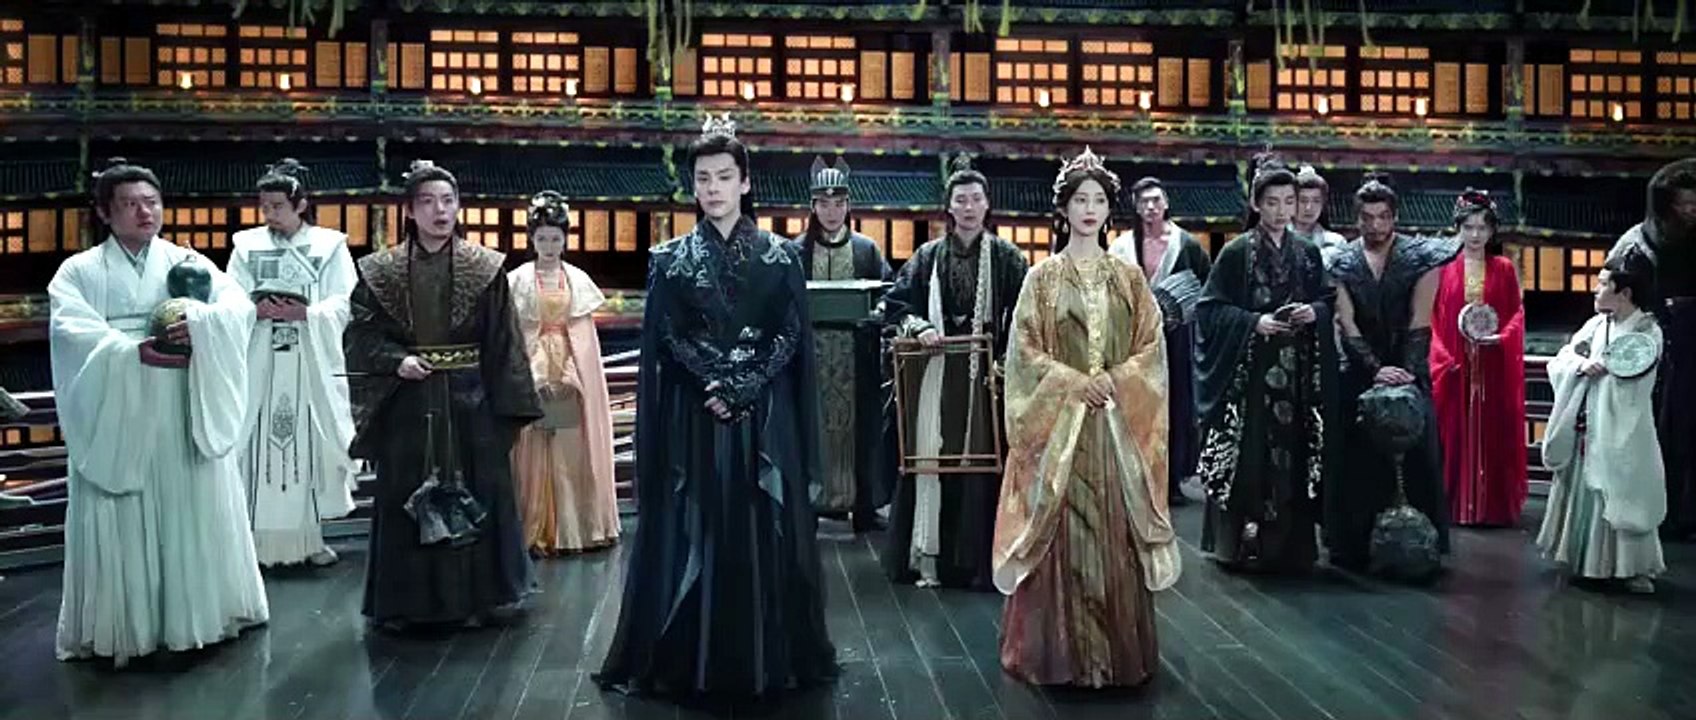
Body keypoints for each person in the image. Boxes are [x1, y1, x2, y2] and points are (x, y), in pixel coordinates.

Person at [595, 115, 836, 697]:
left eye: (725, 177)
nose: (713, 188)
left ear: (745, 182)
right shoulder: (669, 258)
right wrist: (716, 380)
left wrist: (746, 383)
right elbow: (665, 336)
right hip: (695, 414)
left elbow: (791, 334)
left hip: (763, 414)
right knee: (696, 526)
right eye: (703, 178)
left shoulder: (781, 256)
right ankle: (689, 658)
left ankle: (766, 657)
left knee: (761, 526)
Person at [48, 159, 268, 665]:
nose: (144, 212)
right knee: (123, 504)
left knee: (189, 499)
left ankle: (202, 616)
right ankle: (129, 627)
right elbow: (72, 332)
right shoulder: (78, 272)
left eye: (151, 202)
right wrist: (130, 352)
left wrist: (202, 323)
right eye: (129, 204)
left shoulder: (186, 261)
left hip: (180, 400)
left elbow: (238, 308)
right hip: (117, 404)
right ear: (105, 213)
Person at [995, 148, 1178, 688]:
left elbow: (1151, 346)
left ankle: (1113, 657)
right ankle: (1063, 656)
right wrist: (1075, 381)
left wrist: (1115, 379)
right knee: (1063, 530)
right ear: (1064, 209)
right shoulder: (1042, 280)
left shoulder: (1128, 278)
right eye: (1080, 200)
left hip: (1115, 425)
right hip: (1061, 428)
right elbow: (1023, 353)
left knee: (1112, 531)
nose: (1090, 209)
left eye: (1099, 200)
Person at [343, 160, 541, 630]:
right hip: (409, 400)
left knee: (480, 488)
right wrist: (397, 360)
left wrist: (508, 408)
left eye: (448, 201)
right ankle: (410, 605)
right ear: (410, 211)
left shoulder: (484, 268)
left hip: (471, 399)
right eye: (428, 202)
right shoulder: (381, 271)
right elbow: (360, 336)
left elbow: (504, 343)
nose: (440, 211)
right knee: (407, 495)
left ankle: (484, 598)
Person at [882, 155, 1029, 589]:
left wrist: (1005, 359)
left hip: (988, 378)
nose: (968, 207)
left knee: (984, 465)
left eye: (976, 199)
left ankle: (980, 563)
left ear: (987, 204)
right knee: (936, 459)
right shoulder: (927, 256)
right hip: (938, 372)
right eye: (960, 199)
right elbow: (896, 306)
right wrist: (920, 327)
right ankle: (933, 557)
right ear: (948, 207)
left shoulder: (1007, 257)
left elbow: (1027, 316)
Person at [1193, 154, 1338, 573]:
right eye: (1272, 202)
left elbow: (1326, 300)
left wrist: (1314, 312)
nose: (1281, 211)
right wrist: (1253, 322)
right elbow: (1209, 308)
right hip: (1249, 375)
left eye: (1289, 201)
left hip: (1296, 376)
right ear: (1257, 204)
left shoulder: (1307, 253)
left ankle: (1287, 548)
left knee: (1293, 457)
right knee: (1248, 457)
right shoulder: (1237, 252)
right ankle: (1234, 544)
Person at [226, 158, 359, 567]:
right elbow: (229, 298)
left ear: (300, 205)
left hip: (309, 357)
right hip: (259, 359)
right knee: (254, 443)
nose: (269, 214)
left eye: (278, 206)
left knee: (308, 442)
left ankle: (309, 539)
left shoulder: (329, 246)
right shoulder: (246, 246)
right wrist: (254, 310)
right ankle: (251, 544)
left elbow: (346, 301)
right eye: (264, 206)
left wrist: (308, 313)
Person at [1327, 173, 1459, 571]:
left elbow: (1421, 319)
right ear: (1357, 219)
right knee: (1357, 457)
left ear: (1394, 217)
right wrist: (1374, 369)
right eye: (1367, 218)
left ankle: (1421, 545)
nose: (1375, 225)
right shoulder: (1341, 260)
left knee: (1417, 452)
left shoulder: (1422, 256)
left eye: (1382, 216)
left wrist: (1403, 371)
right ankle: (1354, 545)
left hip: (1408, 364)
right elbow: (1346, 322)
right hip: (1361, 366)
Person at [1536, 250, 1665, 593]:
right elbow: (1563, 358)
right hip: (1588, 428)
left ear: (1625, 293)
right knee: (1586, 492)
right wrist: (1579, 367)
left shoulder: (1647, 332)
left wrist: (1604, 374)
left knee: (1623, 492)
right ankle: (1588, 562)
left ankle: (1631, 567)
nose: (1596, 290)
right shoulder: (1596, 325)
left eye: (1604, 284)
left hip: (1622, 430)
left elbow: (1633, 382)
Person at [507, 191, 619, 555]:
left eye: (555, 239)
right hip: (533, 364)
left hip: (571, 370)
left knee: (570, 449)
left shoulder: (577, 280)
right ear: (531, 240)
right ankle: (535, 528)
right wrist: (534, 371)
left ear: (565, 240)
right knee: (532, 447)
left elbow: (583, 335)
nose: (549, 246)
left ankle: (576, 529)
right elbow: (517, 333)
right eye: (542, 239)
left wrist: (572, 371)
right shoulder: (517, 280)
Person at [787, 157, 893, 532]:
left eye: (838, 203)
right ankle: (811, 504)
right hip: (811, 356)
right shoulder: (796, 251)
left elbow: (888, 293)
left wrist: (876, 312)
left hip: (856, 354)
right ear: (813, 207)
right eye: (824, 203)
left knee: (860, 431)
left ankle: (863, 505)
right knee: (810, 429)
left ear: (848, 206)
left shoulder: (866, 250)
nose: (832, 212)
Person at [1108, 176, 1212, 506]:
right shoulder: (1121, 247)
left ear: (1166, 203)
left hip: (1177, 337)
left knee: (1176, 405)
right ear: (1136, 207)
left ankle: (1172, 479)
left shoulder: (1187, 245)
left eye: (1156, 200)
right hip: (1134, 337)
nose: (1151, 207)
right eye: (1144, 202)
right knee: (1134, 404)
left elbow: (1207, 289)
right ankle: (1134, 477)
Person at [1608, 158, 1696, 541]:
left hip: (1692, 355)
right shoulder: (1636, 246)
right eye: (1684, 205)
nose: (1691, 212)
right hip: (1654, 356)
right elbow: (1613, 304)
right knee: (1656, 439)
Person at [1429, 190, 1527, 528]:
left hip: (1492, 364)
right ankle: (1454, 506)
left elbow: (1516, 314)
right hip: (1455, 365)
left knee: (1493, 434)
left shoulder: (1504, 268)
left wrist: (1504, 337)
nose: (1474, 235)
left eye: (1482, 228)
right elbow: (1431, 319)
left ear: (1492, 231)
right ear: (1457, 228)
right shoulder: (1443, 268)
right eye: (1468, 227)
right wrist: (1442, 358)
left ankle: (1491, 508)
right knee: (1452, 433)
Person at [1293, 164, 1349, 270]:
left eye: (1316, 201)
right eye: (1303, 201)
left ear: (1323, 204)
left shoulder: (1336, 242)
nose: (1309, 207)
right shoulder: (1276, 238)